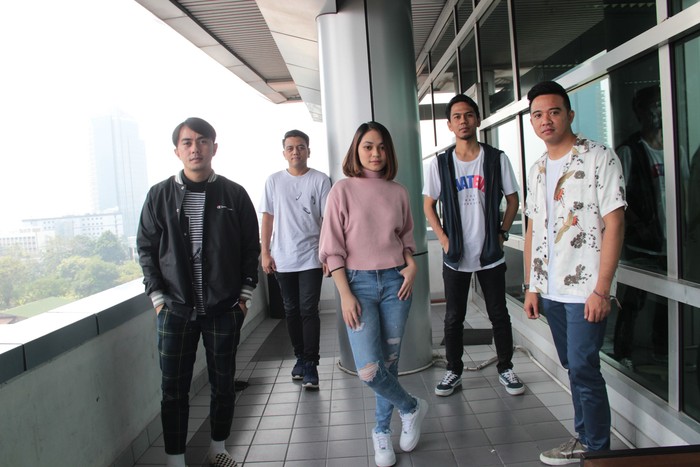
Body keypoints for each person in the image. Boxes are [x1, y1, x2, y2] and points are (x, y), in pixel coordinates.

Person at [137, 117, 260, 467]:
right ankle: (175, 459)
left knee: (223, 383)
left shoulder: (234, 194)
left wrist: (243, 298)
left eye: (202, 141)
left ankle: (217, 448)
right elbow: (146, 249)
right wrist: (158, 300)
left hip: (223, 308)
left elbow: (250, 247)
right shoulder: (159, 196)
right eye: (187, 142)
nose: (195, 148)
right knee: (173, 388)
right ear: (177, 151)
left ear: (214, 148)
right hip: (174, 309)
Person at [522, 81, 626, 465]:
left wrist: (602, 290)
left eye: (553, 112)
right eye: (538, 114)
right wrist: (531, 286)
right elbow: (533, 228)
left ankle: (597, 450)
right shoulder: (537, 169)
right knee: (573, 366)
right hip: (550, 290)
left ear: (569, 114)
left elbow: (615, 223)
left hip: (586, 290)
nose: (545, 120)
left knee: (583, 367)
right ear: (532, 122)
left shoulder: (599, 158)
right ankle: (585, 438)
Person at [319, 121, 427, 467]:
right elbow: (331, 248)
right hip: (357, 285)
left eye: (381, 147)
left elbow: (405, 237)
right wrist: (345, 293)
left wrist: (412, 265)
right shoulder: (342, 190)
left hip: (397, 282)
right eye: (368, 146)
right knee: (368, 369)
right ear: (356, 150)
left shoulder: (398, 191)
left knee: (389, 365)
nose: (375, 153)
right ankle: (411, 406)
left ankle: (381, 431)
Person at [423, 94, 524, 397]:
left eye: (468, 115)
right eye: (457, 116)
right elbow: (428, 204)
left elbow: (513, 200)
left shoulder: (495, 158)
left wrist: (502, 232)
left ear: (477, 120)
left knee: (499, 314)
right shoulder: (441, 163)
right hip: (456, 255)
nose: (463, 121)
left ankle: (505, 368)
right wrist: (443, 238)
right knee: (454, 317)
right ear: (449, 124)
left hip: (490, 252)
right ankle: (454, 370)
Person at [259, 129, 331, 389]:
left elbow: (327, 220)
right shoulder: (273, 181)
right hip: (282, 257)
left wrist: (327, 254)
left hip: (311, 256)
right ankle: (299, 357)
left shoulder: (320, 180)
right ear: (284, 153)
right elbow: (267, 218)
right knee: (291, 310)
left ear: (308, 151)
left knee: (309, 309)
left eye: (301, 147)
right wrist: (265, 252)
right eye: (290, 148)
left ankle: (311, 363)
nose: (295, 152)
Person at [613, 86, 667, 370]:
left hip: (671, 241)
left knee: (666, 300)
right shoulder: (630, 151)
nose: (657, 111)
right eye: (652, 106)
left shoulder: (676, 147)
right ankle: (622, 351)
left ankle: (662, 350)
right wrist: (639, 227)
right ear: (640, 112)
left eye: (660, 104)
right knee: (633, 298)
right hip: (641, 242)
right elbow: (616, 198)